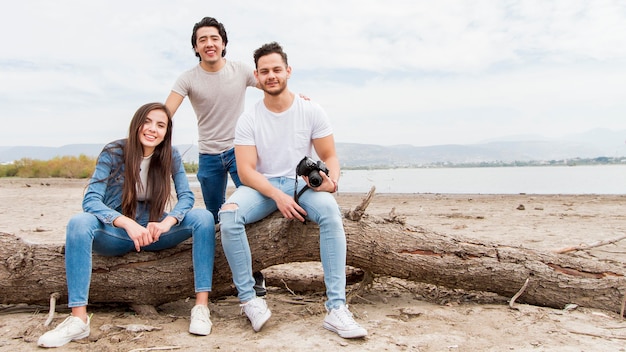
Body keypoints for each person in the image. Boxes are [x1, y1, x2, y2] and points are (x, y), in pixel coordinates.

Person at [218, 42, 368, 339]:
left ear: (288, 71)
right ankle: (249, 300)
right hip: (264, 185)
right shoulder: (249, 119)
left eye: (276, 69)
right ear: (257, 78)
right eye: (264, 72)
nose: (271, 75)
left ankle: (337, 309)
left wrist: (332, 182)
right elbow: (246, 170)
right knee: (229, 216)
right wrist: (277, 196)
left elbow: (331, 156)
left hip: (302, 184)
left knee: (330, 213)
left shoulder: (311, 109)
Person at [37, 102, 216, 348]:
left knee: (204, 218)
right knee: (79, 222)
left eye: (161, 125)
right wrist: (126, 223)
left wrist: (167, 222)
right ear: (137, 123)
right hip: (117, 233)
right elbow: (91, 200)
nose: (153, 129)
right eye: (148, 122)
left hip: (153, 232)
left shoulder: (170, 155)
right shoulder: (114, 151)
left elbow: (186, 196)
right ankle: (78, 320)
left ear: (166, 132)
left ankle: (201, 307)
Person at [164, 17, 267, 295]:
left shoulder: (242, 71)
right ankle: (221, 270)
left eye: (214, 38)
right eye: (202, 40)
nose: (209, 43)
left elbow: (272, 86)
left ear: (223, 43)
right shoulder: (188, 78)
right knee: (213, 216)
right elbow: (166, 113)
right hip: (208, 155)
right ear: (196, 48)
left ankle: (254, 273)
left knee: (248, 210)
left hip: (239, 151)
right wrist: (150, 132)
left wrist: (297, 99)